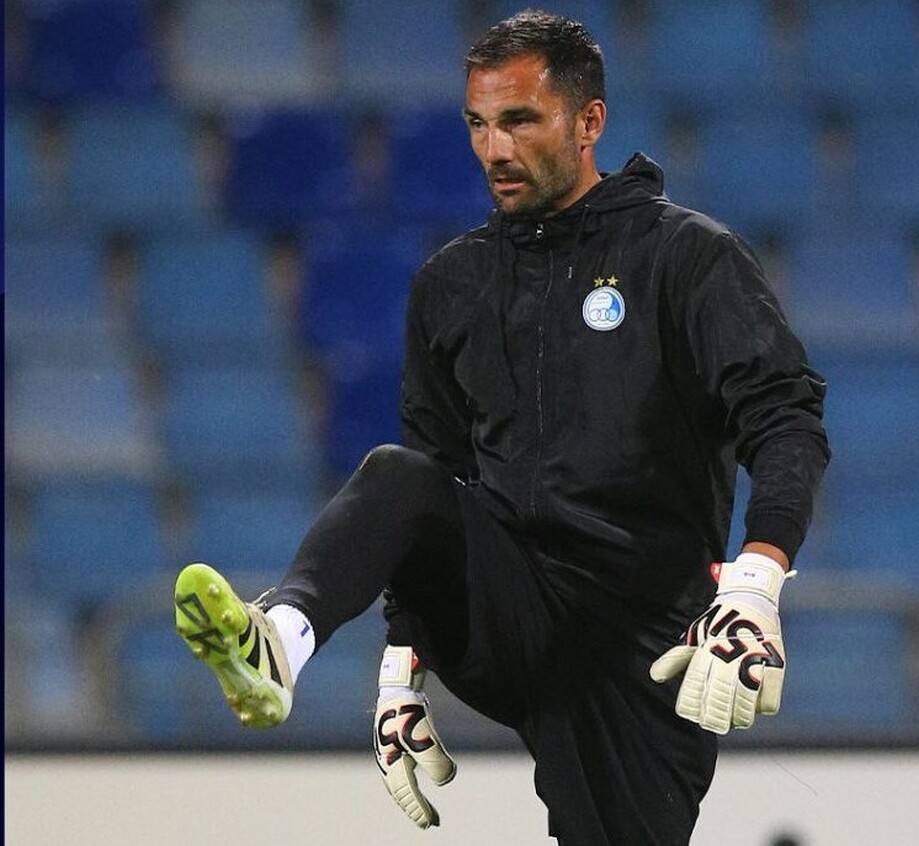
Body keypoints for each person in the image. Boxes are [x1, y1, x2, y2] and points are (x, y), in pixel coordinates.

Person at [172, 10, 829, 845]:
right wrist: (401, 667)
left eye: (520, 121)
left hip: (645, 641)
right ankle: (280, 640)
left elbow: (786, 417)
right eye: (478, 125)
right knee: (398, 474)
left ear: (589, 121)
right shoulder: (453, 285)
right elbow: (429, 495)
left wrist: (755, 583)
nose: (495, 150)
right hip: (510, 607)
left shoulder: (687, 258)